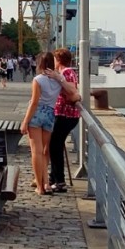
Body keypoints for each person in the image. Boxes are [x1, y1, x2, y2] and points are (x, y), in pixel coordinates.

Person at [21, 52, 63, 196]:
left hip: (37, 113)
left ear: (40, 64)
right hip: (51, 114)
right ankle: (47, 183)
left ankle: (40, 186)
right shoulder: (58, 80)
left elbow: (34, 102)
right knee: (45, 151)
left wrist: (25, 121)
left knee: (36, 151)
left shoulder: (38, 79)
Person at [49, 48, 81, 192]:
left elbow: (72, 92)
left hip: (65, 114)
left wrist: (58, 78)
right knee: (56, 144)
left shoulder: (66, 73)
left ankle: (59, 181)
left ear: (58, 60)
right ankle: (53, 177)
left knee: (54, 146)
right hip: (64, 114)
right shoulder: (67, 72)